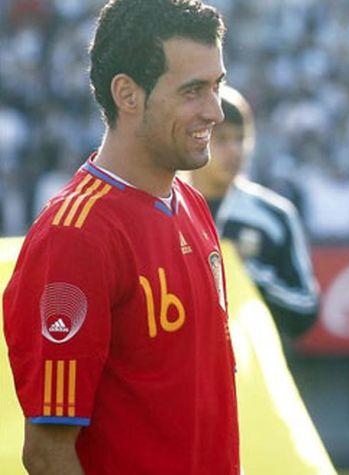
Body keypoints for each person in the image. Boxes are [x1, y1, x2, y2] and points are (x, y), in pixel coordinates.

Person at [2, 0, 238, 473]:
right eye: (193, 90)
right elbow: (47, 454)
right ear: (128, 94)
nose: (215, 111)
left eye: (217, 86)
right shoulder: (75, 236)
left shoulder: (192, 206)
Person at [190, 85, 319, 340]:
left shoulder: (275, 215)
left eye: (241, 138)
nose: (234, 150)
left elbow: (307, 308)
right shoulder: (164, 209)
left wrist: (250, 275)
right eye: (221, 139)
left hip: (251, 362)